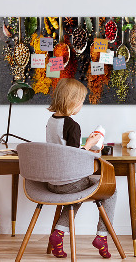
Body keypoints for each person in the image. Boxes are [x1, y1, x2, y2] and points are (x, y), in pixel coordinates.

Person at [46, 78, 116, 259]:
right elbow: (74, 157)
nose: (81, 106)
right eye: (81, 102)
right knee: (111, 190)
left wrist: (85, 145)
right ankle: (102, 236)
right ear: (73, 102)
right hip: (69, 182)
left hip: (52, 182)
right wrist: (91, 144)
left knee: (76, 194)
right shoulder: (72, 125)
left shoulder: (51, 121)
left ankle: (58, 234)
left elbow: (63, 150)